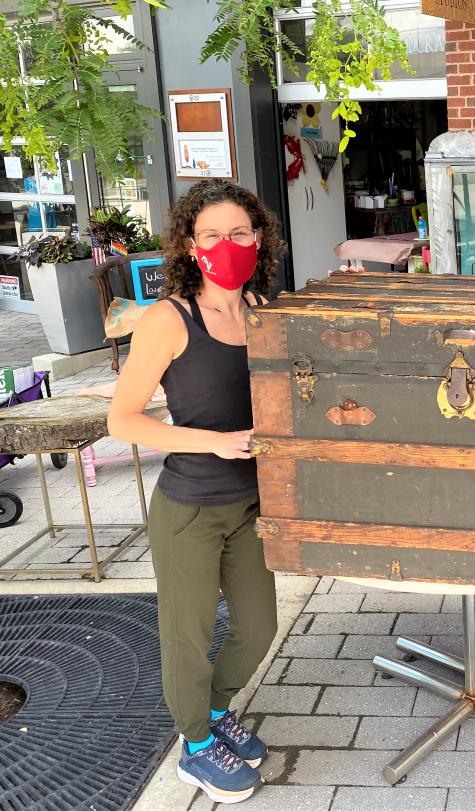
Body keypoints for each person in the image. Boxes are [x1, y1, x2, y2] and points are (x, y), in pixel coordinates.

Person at [109, 179, 287, 804]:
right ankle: (194, 746)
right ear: (190, 244)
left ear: (258, 238)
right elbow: (122, 420)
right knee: (185, 636)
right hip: (189, 506)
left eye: (239, 232)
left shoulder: (264, 306)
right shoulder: (169, 318)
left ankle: (212, 714)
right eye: (212, 234)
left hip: (253, 503)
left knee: (259, 627)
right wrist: (210, 441)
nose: (227, 244)